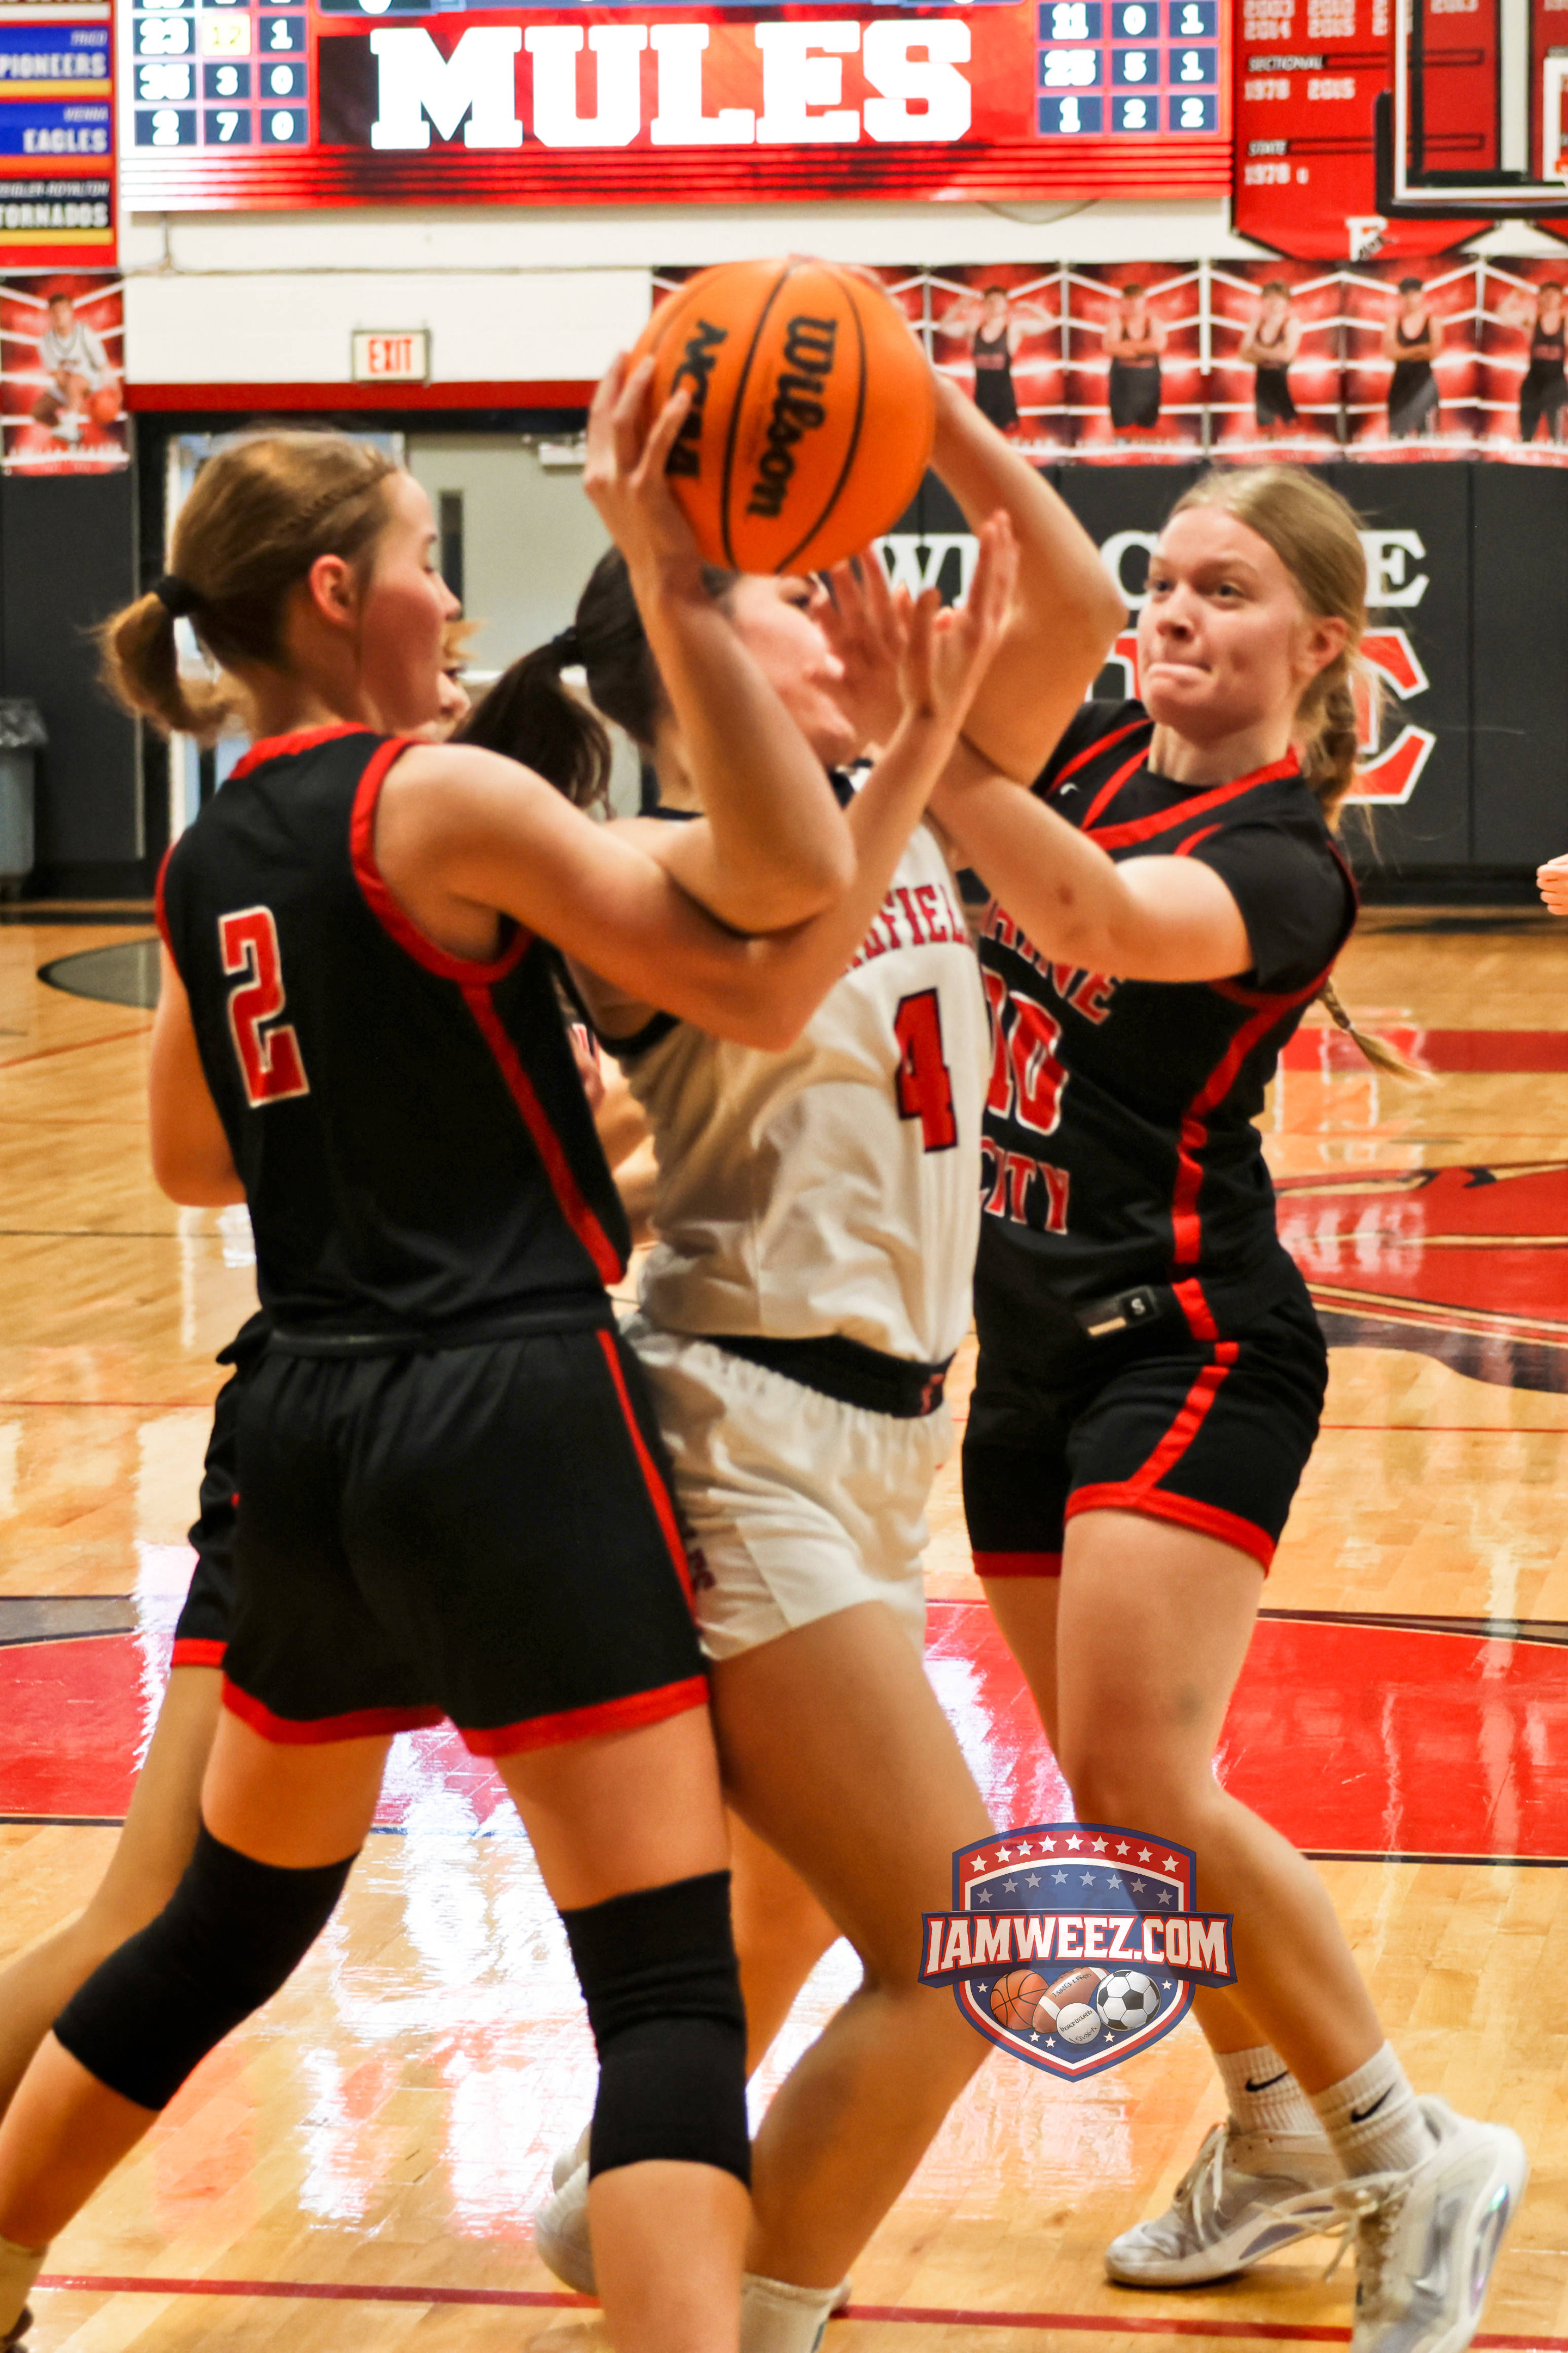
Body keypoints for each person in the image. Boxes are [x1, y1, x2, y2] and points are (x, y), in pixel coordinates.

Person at [0, 360, 896, 2353]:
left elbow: (187, 1155)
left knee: (222, 1919)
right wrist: (691, 589)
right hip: (509, 1408)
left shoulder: (208, 850)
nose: (452, 594)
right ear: (338, 593)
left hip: (303, 1426)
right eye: (426, 554)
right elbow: (773, 926)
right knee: (663, 1980)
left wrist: (413, 1104)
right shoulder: (445, 794)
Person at [475, 364, 1120, 2352]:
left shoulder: (897, 803)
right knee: (968, 1947)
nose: (841, 599)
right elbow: (783, 912)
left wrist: (917, 401)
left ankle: (612, 2207)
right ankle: (756, 2313)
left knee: (769, 1904)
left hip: (872, 1437)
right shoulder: (657, 867)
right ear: (682, 646)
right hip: (739, 1429)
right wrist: (692, 564)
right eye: (783, 585)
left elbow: (1076, 604)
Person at [923, 464, 1526, 2353]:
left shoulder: (1283, 863)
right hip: (1024, 1342)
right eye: (1164, 581)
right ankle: (1271, 2126)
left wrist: (924, 747)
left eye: (1228, 590)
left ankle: (1409, 2149)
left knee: (1148, 1778)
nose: (1176, 613)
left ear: (1320, 643)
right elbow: (1037, 580)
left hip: (1186, 1345)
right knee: (1117, 1807)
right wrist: (916, 394)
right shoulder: (1093, 746)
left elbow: (1093, 913)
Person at [945, 284, 1054, 439]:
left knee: (1004, 441)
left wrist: (1029, 307)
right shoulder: (973, 329)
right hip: (982, 399)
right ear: (984, 305)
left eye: (998, 301)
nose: (994, 305)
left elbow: (1050, 323)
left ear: (1005, 305)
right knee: (982, 441)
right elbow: (944, 327)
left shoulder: (1013, 329)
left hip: (1004, 402)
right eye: (991, 301)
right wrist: (958, 307)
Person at [31, 292, 117, 438]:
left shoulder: (85, 333)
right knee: (39, 412)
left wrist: (112, 392)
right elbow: (58, 376)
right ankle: (69, 430)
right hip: (66, 385)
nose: (59, 315)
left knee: (75, 381)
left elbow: (103, 365)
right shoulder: (46, 342)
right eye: (55, 311)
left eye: (63, 311)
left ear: (71, 312)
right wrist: (74, 399)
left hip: (91, 382)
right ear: (49, 314)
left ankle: (70, 425)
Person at [1237, 282, 1301, 433]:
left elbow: (1287, 355)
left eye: (1278, 299)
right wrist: (1275, 353)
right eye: (1269, 298)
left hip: (1285, 383)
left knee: (1289, 422)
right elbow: (1243, 355)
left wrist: (1257, 349)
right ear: (1263, 300)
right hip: (1262, 384)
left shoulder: (1292, 323)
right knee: (1266, 426)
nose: (1273, 303)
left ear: (1287, 302)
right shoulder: (1256, 323)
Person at [1383, 279, 1441, 440]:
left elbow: (1434, 351)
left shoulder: (1433, 321)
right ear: (1400, 297)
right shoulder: (1393, 322)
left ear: (1422, 295)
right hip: (1400, 385)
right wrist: (1420, 349)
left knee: (1427, 437)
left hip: (1425, 384)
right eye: (1406, 295)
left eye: (1414, 294)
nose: (1410, 299)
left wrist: (1403, 352)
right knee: (1397, 437)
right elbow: (1389, 353)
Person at [1104, 284, 1165, 434]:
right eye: (1129, 301)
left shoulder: (1155, 323)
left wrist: (1126, 347)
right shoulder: (1115, 323)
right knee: (1122, 427)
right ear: (1123, 302)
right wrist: (1145, 348)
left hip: (1148, 383)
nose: (1132, 305)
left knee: (1148, 426)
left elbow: (1158, 346)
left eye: (1136, 301)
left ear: (1143, 301)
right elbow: (1110, 347)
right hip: (1123, 383)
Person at [1517, 281, 1566, 445]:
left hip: (1556, 385)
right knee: (1526, 437)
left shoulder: (1565, 323)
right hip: (1534, 384)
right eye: (1547, 295)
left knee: (1559, 438)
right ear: (1541, 298)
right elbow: (1502, 315)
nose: (1550, 298)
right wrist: (1515, 295)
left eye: (1554, 295)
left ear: (1560, 299)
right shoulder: (1532, 321)